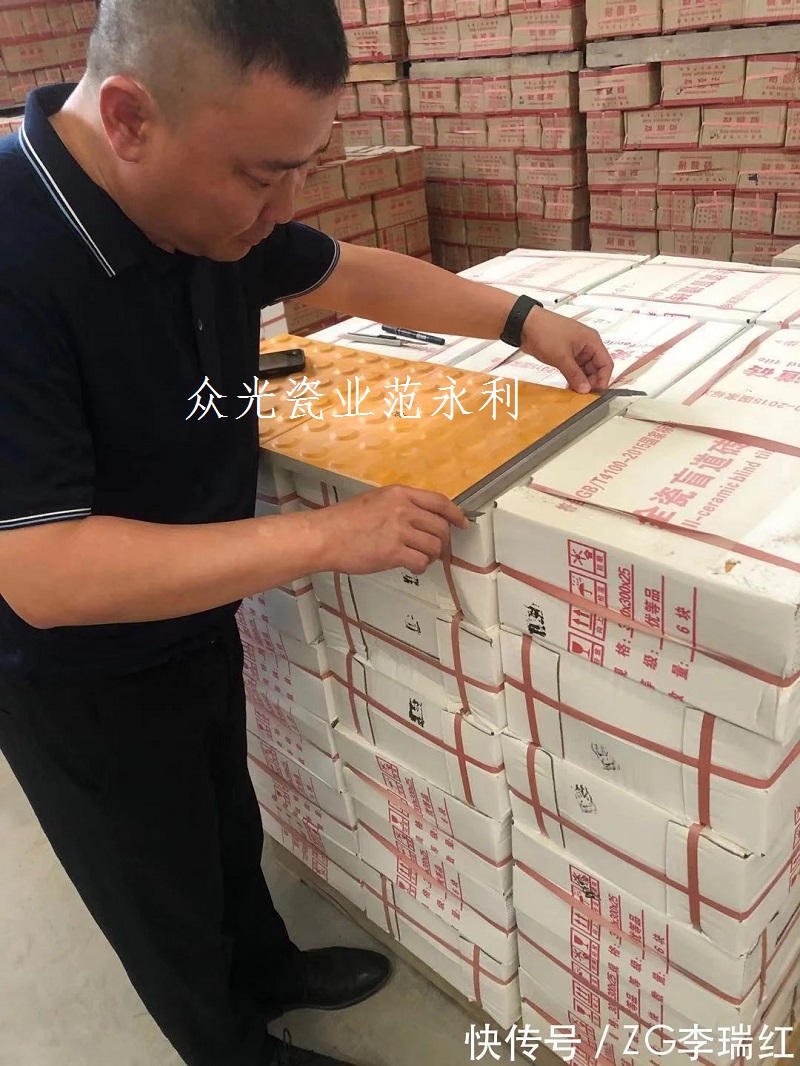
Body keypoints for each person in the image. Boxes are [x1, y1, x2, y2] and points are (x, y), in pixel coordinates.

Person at [0, 1, 613, 1064]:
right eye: (260, 176)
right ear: (131, 118)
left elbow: (347, 271)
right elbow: (44, 573)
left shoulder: (201, 206)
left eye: (302, 168)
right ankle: (231, 1044)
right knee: (156, 884)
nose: (280, 208)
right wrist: (331, 537)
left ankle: (268, 965)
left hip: (193, 607)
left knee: (223, 819)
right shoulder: (16, 255)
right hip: (76, 673)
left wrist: (521, 320)